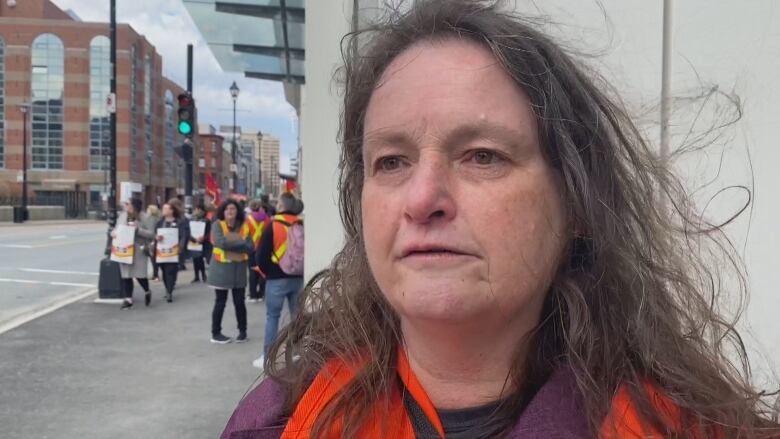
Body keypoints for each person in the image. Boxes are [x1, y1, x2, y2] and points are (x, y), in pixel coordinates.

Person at [222, 1, 780, 438]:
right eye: (391, 161)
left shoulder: (693, 429)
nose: (423, 199)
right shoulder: (277, 424)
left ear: (577, 203)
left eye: (482, 155)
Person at [251, 192, 304, 369]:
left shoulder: (273, 225)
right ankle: (297, 352)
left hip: (276, 277)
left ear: (280, 206)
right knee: (297, 317)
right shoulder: (301, 223)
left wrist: (267, 272)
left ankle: (269, 357)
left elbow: (261, 255)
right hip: (298, 276)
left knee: (272, 317)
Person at [208, 199, 253, 344]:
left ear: (237, 211)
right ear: (223, 211)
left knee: (239, 302)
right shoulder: (217, 225)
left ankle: (242, 331)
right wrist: (241, 243)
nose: (230, 211)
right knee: (220, 302)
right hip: (221, 270)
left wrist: (232, 245)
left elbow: (251, 247)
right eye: (227, 209)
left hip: (238, 270)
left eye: (233, 208)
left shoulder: (244, 226)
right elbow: (220, 242)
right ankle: (216, 333)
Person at [112, 198, 154, 309]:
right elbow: (117, 228)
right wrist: (114, 233)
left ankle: (147, 290)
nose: (127, 206)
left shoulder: (145, 217)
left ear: (134, 206)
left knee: (139, 274)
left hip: (138, 249)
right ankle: (128, 299)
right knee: (126, 275)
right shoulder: (122, 215)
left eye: (129, 204)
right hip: (124, 247)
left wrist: (138, 229)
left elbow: (151, 234)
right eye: (126, 204)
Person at [155, 201, 187, 303]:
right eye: (163, 208)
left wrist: (180, 247)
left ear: (172, 210)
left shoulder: (179, 222)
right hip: (162, 251)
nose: (163, 210)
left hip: (173, 251)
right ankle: (167, 288)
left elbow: (183, 235)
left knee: (170, 271)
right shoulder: (160, 222)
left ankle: (169, 292)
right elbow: (155, 233)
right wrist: (156, 237)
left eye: (166, 208)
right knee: (164, 271)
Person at [245, 199, 270, 302]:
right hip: (263, 248)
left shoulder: (247, 219)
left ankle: (253, 295)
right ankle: (261, 294)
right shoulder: (267, 219)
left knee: (252, 272)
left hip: (251, 249)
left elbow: (244, 235)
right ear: (260, 207)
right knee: (262, 272)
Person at [189, 202, 212, 283]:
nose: (197, 211)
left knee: (200, 259)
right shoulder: (192, 219)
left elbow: (209, 232)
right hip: (194, 241)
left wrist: (204, 238)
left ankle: (203, 275)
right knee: (195, 259)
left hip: (204, 242)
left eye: (198, 209)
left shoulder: (207, 220)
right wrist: (192, 238)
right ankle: (196, 276)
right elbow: (189, 230)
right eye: (196, 209)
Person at [145, 204, 161, 281]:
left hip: (152, 241)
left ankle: (155, 275)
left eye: (148, 209)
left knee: (153, 258)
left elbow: (150, 231)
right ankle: (156, 274)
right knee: (156, 258)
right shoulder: (158, 218)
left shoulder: (150, 219)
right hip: (158, 240)